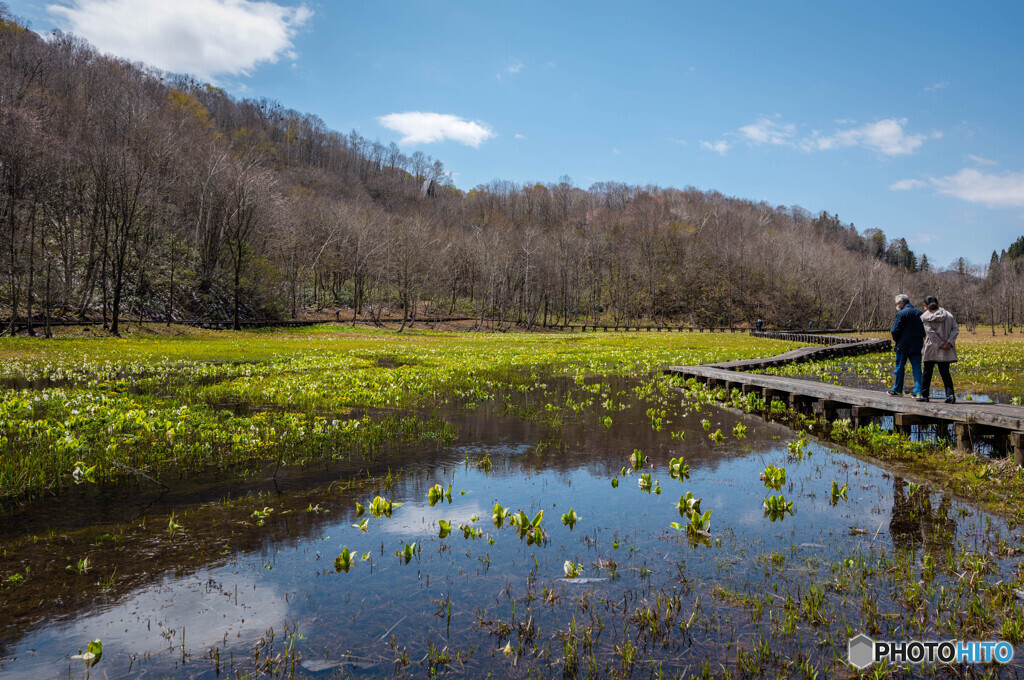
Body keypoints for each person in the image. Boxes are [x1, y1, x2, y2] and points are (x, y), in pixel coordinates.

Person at [917, 295, 958, 403]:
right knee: (945, 372)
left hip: (931, 347)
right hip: (946, 347)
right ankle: (950, 395)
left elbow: (930, 333)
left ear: (926, 305)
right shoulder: (948, 315)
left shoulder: (925, 316)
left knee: (927, 372)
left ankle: (925, 395)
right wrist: (948, 342)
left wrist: (939, 343)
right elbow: (955, 329)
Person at [889, 293, 925, 396]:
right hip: (917, 345)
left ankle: (897, 389)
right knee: (917, 368)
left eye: (897, 304)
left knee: (899, 368)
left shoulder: (902, 313)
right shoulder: (920, 313)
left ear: (902, 303)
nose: (896, 306)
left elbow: (894, 330)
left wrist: (897, 340)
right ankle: (918, 391)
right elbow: (924, 330)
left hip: (903, 345)